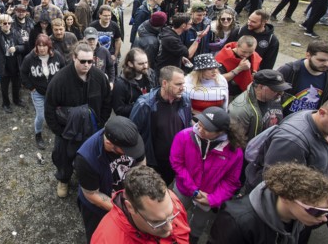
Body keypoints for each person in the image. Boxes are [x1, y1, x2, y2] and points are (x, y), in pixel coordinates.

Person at [208, 163, 328, 244]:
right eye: (316, 211)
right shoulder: (237, 221)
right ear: (286, 198)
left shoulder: (300, 219)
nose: (324, 218)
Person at [45, 42, 111, 198]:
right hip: (67, 131)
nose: (87, 65)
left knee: (91, 156)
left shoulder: (99, 77)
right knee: (62, 156)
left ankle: (86, 177)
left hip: (92, 129)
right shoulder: (59, 80)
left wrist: (101, 123)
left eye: (90, 61)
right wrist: (60, 132)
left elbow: (107, 101)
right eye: (83, 61)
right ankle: (63, 179)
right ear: (74, 57)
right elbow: (49, 108)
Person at [170, 106, 244, 243]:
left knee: (198, 225)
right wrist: (193, 190)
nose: (199, 129)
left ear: (221, 132)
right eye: (199, 123)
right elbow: (177, 163)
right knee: (174, 216)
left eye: (207, 128)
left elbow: (231, 181)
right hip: (183, 189)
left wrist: (213, 199)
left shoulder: (235, 152)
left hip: (208, 197)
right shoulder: (184, 136)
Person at [76, 116, 146, 242]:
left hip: (125, 194)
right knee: (99, 236)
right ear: (109, 143)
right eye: (126, 151)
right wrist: (123, 211)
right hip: (98, 207)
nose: (131, 153)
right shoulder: (86, 159)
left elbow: (141, 161)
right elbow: (92, 194)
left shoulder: (130, 138)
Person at [91, 165, 190, 244]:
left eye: (172, 215)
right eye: (157, 222)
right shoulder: (106, 239)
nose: (170, 227)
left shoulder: (171, 201)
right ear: (131, 208)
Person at [130, 66, 192, 185]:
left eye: (183, 84)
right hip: (153, 162)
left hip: (176, 159)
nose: (182, 88)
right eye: (178, 84)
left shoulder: (185, 100)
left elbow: (187, 125)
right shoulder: (145, 104)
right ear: (164, 83)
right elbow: (133, 133)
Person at [20, 34, 65, 150]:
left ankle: (53, 127)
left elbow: (64, 70)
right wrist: (31, 87)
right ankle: (38, 134)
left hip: (54, 93)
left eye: (44, 45)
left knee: (55, 112)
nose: (41, 48)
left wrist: (61, 86)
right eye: (39, 45)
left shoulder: (57, 56)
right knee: (40, 116)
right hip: (38, 93)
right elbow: (23, 73)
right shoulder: (29, 58)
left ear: (49, 46)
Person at [277, 40, 328, 115]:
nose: (327, 64)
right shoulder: (289, 70)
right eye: (321, 60)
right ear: (308, 55)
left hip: (309, 121)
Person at [228, 69, 290, 142]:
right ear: (260, 87)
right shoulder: (240, 110)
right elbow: (237, 142)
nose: (280, 93)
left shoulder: (275, 96)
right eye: (276, 89)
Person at [0, 13, 27, 113]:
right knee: (4, 87)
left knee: (16, 85)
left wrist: (16, 48)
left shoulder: (16, 33)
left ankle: (16, 100)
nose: (7, 25)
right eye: (4, 23)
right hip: (4, 65)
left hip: (15, 64)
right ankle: (6, 104)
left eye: (9, 23)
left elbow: (23, 47)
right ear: (0, 24)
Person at [111, 48, 156, 118]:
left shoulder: (151, 74)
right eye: (141, 64)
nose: (145, 66)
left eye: (146, 62)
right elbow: (119, 109)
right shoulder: (120, 84)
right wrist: (141, 105)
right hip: (132, 120)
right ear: (130, 64)